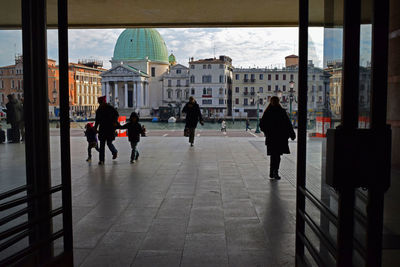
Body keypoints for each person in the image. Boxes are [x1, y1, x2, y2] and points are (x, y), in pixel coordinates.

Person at [259, 96, 296, 180]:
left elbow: (262, 125)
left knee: (273, 155)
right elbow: (288, 124)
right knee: (277, 156)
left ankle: (272, 172)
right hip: (280, 137)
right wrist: (292, 134)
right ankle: (275, 171)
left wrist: (267, 132)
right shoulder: (282, 111)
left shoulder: (267, 112)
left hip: (271, 138)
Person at [94, 96, 119, 165]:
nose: (100, 104)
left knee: (109, 143)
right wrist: (95, 128)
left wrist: (114, 121)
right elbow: (97, 121)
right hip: (102, 129)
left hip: (109, 128)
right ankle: (101, 160)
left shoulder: (110, 108)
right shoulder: (99, 110)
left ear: (103, 102)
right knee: (102, 145)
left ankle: (114, 152)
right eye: (99, 103)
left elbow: (116, 115)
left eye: (100, 102)